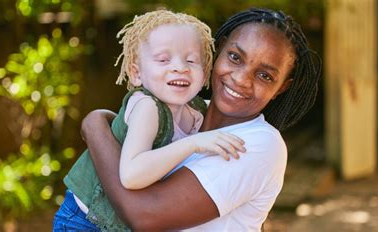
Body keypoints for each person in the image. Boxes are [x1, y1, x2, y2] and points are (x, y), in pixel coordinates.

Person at [82, 8, 322, 231]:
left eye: (264, 75)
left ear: (281, 88)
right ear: (218, 51)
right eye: (235, 57)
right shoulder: (185, 114)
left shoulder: (259, 144)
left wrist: (94, 126)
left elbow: (145, 215)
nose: (241, 79)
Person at [53, 10, 246, 231]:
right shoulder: (148, 107)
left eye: (191, 60)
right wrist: (194, 143)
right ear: (136, 74)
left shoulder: (196, 109)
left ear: (204, 75)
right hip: (86, 221)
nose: (179, 67)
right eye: (163, 59)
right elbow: (131, 175)